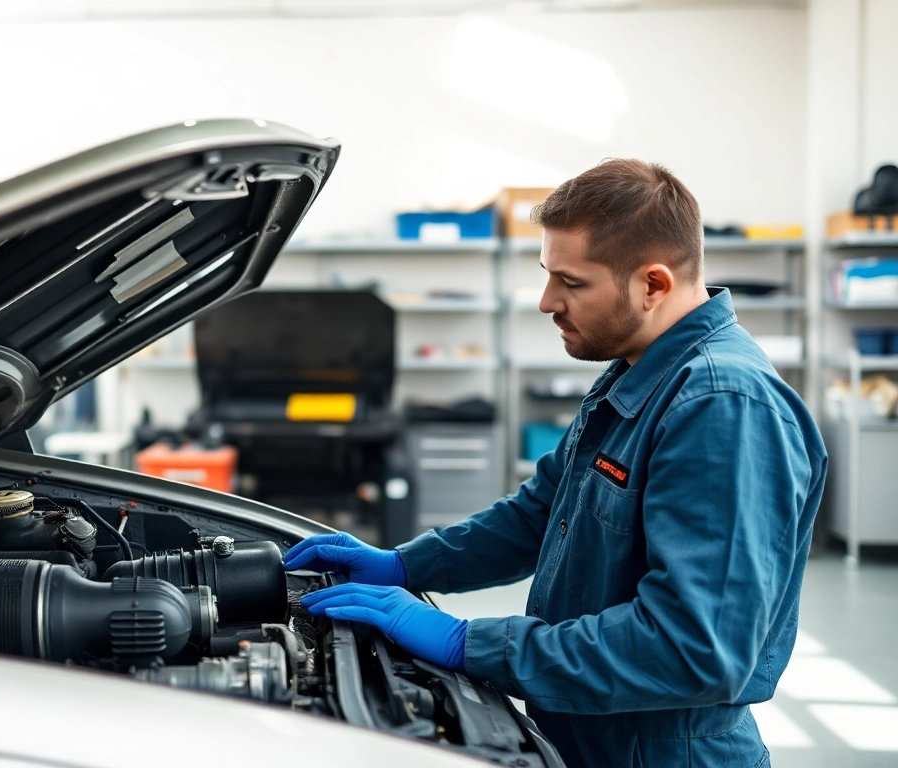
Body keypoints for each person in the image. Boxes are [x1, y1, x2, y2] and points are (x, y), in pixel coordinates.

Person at [285, 159, 826, 767]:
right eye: (547, 275)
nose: (547, 301)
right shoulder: (636, 372)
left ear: (653, 285)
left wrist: (473, 643)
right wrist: (405, 564)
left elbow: (694, 649)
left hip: (660, 752)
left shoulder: (722, 407)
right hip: (585, 731)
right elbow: (541, 513)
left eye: (570, 282)